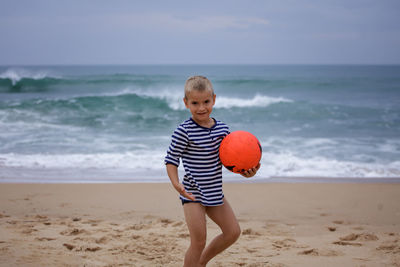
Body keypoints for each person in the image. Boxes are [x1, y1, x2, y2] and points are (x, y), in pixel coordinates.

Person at [164, 75, 260, 266]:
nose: (201, 108)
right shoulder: (184, 131)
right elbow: (171, 160)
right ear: (186, 103)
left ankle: (202, 262)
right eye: (195, 103)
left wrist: (247, 172)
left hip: (215, 193)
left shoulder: (223, 129)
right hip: (193, 194)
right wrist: (177, 185)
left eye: (206, 102)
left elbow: (229, 160)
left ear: (213, 99)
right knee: (198, 242)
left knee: (233, 232)